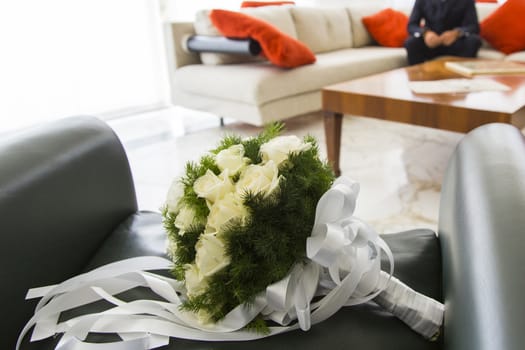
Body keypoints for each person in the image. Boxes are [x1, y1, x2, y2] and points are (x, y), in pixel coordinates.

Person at [404, 0, 482, 65]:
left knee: (473, 41)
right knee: (411, 43)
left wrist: (456, 33)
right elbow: (411, 25)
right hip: (430, 44)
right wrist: (425, 33)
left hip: (455, 44)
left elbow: (473, 26)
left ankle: (463, 77)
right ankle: (417, 76)